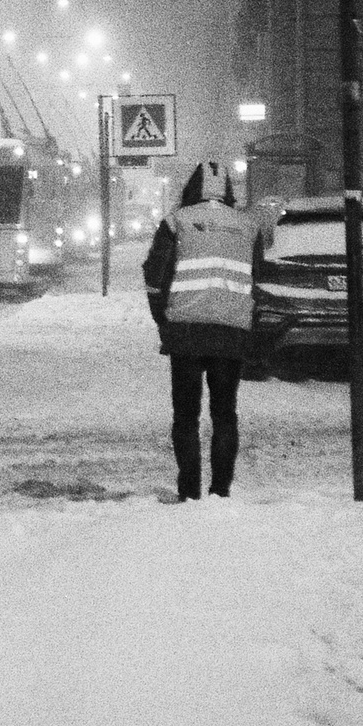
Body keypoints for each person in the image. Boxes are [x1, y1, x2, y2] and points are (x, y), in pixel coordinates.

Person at [142, 161, 258, 500]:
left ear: (193, 187)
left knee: (186, 416)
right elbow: (259, 281)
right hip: (232, 333)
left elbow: (153, 275)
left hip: (186, 333)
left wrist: (163, 321)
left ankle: (189, 491)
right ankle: (220, 491)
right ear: (228, 191)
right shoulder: (248, 227)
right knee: (224, 415)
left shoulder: (176, 222)